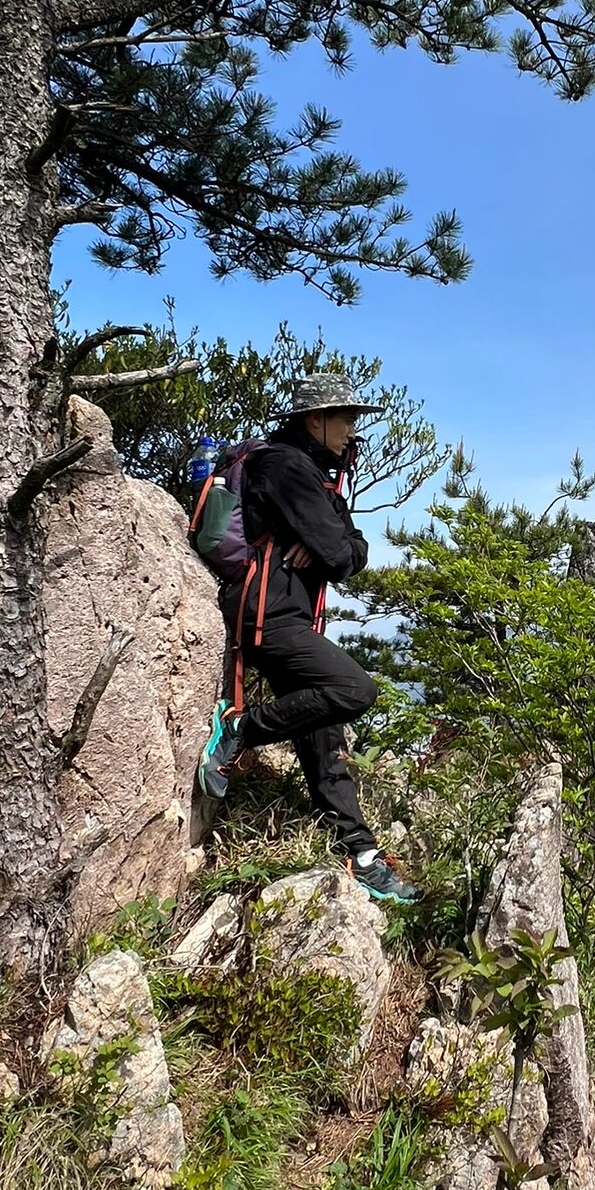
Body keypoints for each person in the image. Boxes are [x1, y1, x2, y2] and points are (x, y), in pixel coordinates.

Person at [197, 372, 417, 905]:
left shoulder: (313, 474)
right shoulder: (287, 467)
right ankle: (240, 730)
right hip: (266, 617)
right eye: (346, 418)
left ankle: (360, 853)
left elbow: (353, 548)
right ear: (315, 419)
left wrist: (323, 546)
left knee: (325, 740)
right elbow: (341, 556)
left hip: (285, 615)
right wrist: (326, 548)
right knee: (354, 690)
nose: (352, 430)